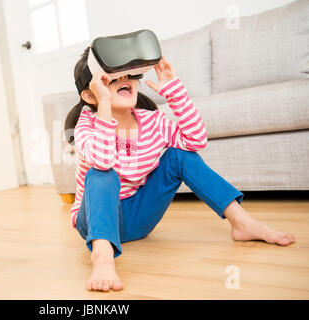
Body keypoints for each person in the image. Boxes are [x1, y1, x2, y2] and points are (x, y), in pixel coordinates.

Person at [63, 46, 295, 292]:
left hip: (139, 219)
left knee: (179, 156)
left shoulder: (153, 121)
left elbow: (195, 141)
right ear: (90, 95)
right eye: (110, 77)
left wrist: (174, 91)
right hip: (96, 222)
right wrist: (105, 107)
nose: (124, 79)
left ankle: (242, 222)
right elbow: (103, 160)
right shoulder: (86, 125)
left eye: (128, 73)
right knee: (101, 173)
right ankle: (102, 256)